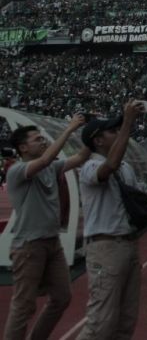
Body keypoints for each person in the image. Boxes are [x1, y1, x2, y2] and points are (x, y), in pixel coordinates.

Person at [77, 100, 147, 340]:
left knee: (125, 320)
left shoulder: (126, 169)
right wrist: (128, 121)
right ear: (97, 141)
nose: (118, 133)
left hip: (128, 245)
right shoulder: (89, 167)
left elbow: (138, 210)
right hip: (105, 247)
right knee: (101, 321)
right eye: (112, 131)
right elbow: (108, 167)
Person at [4, 114, 90, 340]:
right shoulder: (17, 171)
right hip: (29, 246)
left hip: (52, 242)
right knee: (23, 306)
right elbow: (44, 160)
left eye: (43, 138)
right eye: (37, 139)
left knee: (62, 297)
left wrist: (92, 134)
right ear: (22, 147)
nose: (43, 141)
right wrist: (69, 129)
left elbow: (80, 157)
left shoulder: (51, 168)